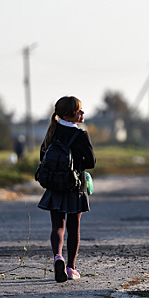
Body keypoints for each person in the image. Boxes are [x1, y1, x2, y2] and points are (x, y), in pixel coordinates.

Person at [37, 96, 96, 283]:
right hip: (75, 186)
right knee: (74, 228)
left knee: (57, 227)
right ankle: (71, 268)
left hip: (54, 187)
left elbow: (43, 156)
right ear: (70, 115)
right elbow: (92, 162)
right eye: (79, 111)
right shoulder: (81, 135)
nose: (82, 113)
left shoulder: (51, 132)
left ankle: (57, 257)